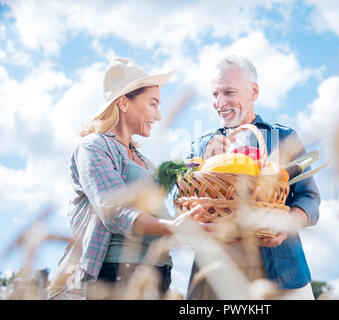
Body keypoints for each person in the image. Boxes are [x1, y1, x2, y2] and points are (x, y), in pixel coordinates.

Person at [48, 58, 206, 300]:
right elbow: (114, 211)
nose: (159, 115)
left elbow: (158, 214)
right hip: (119, 275)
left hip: (159, 273)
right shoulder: (94, 147)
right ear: (123, 102)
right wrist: (173, 228)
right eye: (153, 104)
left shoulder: (143, 160)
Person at [187, 55, 321, 300]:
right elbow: (177, 199)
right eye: (214, 94)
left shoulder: (283, 138)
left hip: (283, 275)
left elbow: (310, 199)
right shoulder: (202, 145)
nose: (219, 102)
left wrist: (287, 223)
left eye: (229, 92)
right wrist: (202, 165)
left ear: (254, 92)